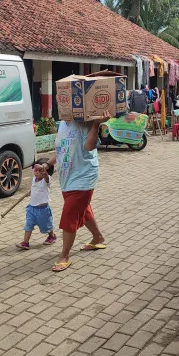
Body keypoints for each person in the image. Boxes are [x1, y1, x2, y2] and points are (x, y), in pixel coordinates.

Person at [41, 114, 112, 272]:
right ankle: (98, 238)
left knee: (70, 214)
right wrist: (47, 164)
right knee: (83, 210)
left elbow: (89, 146)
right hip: (67, 178)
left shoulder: (83, 122)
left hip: (84, 176)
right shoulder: (62, 125)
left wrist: (95, 124)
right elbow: (61, 150)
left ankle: (64, 256)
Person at [17, 158, 57, 250]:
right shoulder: (34, 178)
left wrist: (45, 173)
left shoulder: (47, 180)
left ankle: (51, 236)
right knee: (28, 224)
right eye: (35, 170)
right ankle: (25, 242)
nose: (36, 172)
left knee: (47, 225)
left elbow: (46, 178)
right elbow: (35, 188)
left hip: (43, 209)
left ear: (46, 172)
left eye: (40, 171)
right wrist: (30, 192)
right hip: (31, 208)